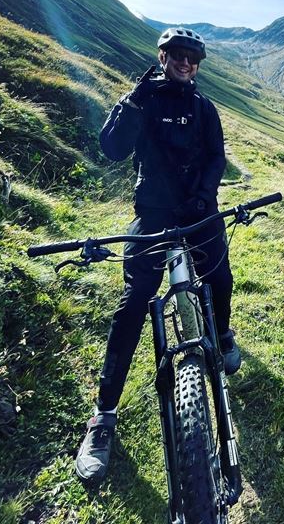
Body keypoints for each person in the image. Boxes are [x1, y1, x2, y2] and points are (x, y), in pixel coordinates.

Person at [75, 27, 239, 482]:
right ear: (162, 56)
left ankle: (223, 335)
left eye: (192, 57)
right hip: (152, 214)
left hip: (198, 210)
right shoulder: (142, 100)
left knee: (220, 279)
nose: (185, 62)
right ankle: (103, 416)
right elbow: (112, 148)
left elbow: (216, 157)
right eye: (177, 54)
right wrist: (132, 101)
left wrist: (204, 197)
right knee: (133, 304)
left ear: (197, 64)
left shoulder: (204, 108)